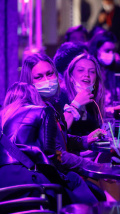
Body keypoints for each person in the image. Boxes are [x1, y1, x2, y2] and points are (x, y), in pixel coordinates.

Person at [20, 53, 106, 203]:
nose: (47, 80)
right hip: (45, 183)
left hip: (61, 175)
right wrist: (96, 167)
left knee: (101, 193)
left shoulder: (49, 104)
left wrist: (85, 140)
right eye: (39, 77)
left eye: (49, 73)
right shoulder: (33, 109)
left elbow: (58, 138)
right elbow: (58, 154)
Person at [0, 82, 57, 204]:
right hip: (27, 180)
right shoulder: (43, 111)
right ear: (34, 96)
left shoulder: (2, 116)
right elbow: (48, 153)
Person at [63, 53, 105, 136]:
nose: (87, 75)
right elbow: (60, 130)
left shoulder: (93, 101)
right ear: (71, 77)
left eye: (92, 72)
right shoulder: (61, 97)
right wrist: (76, 104)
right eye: (80, 70)